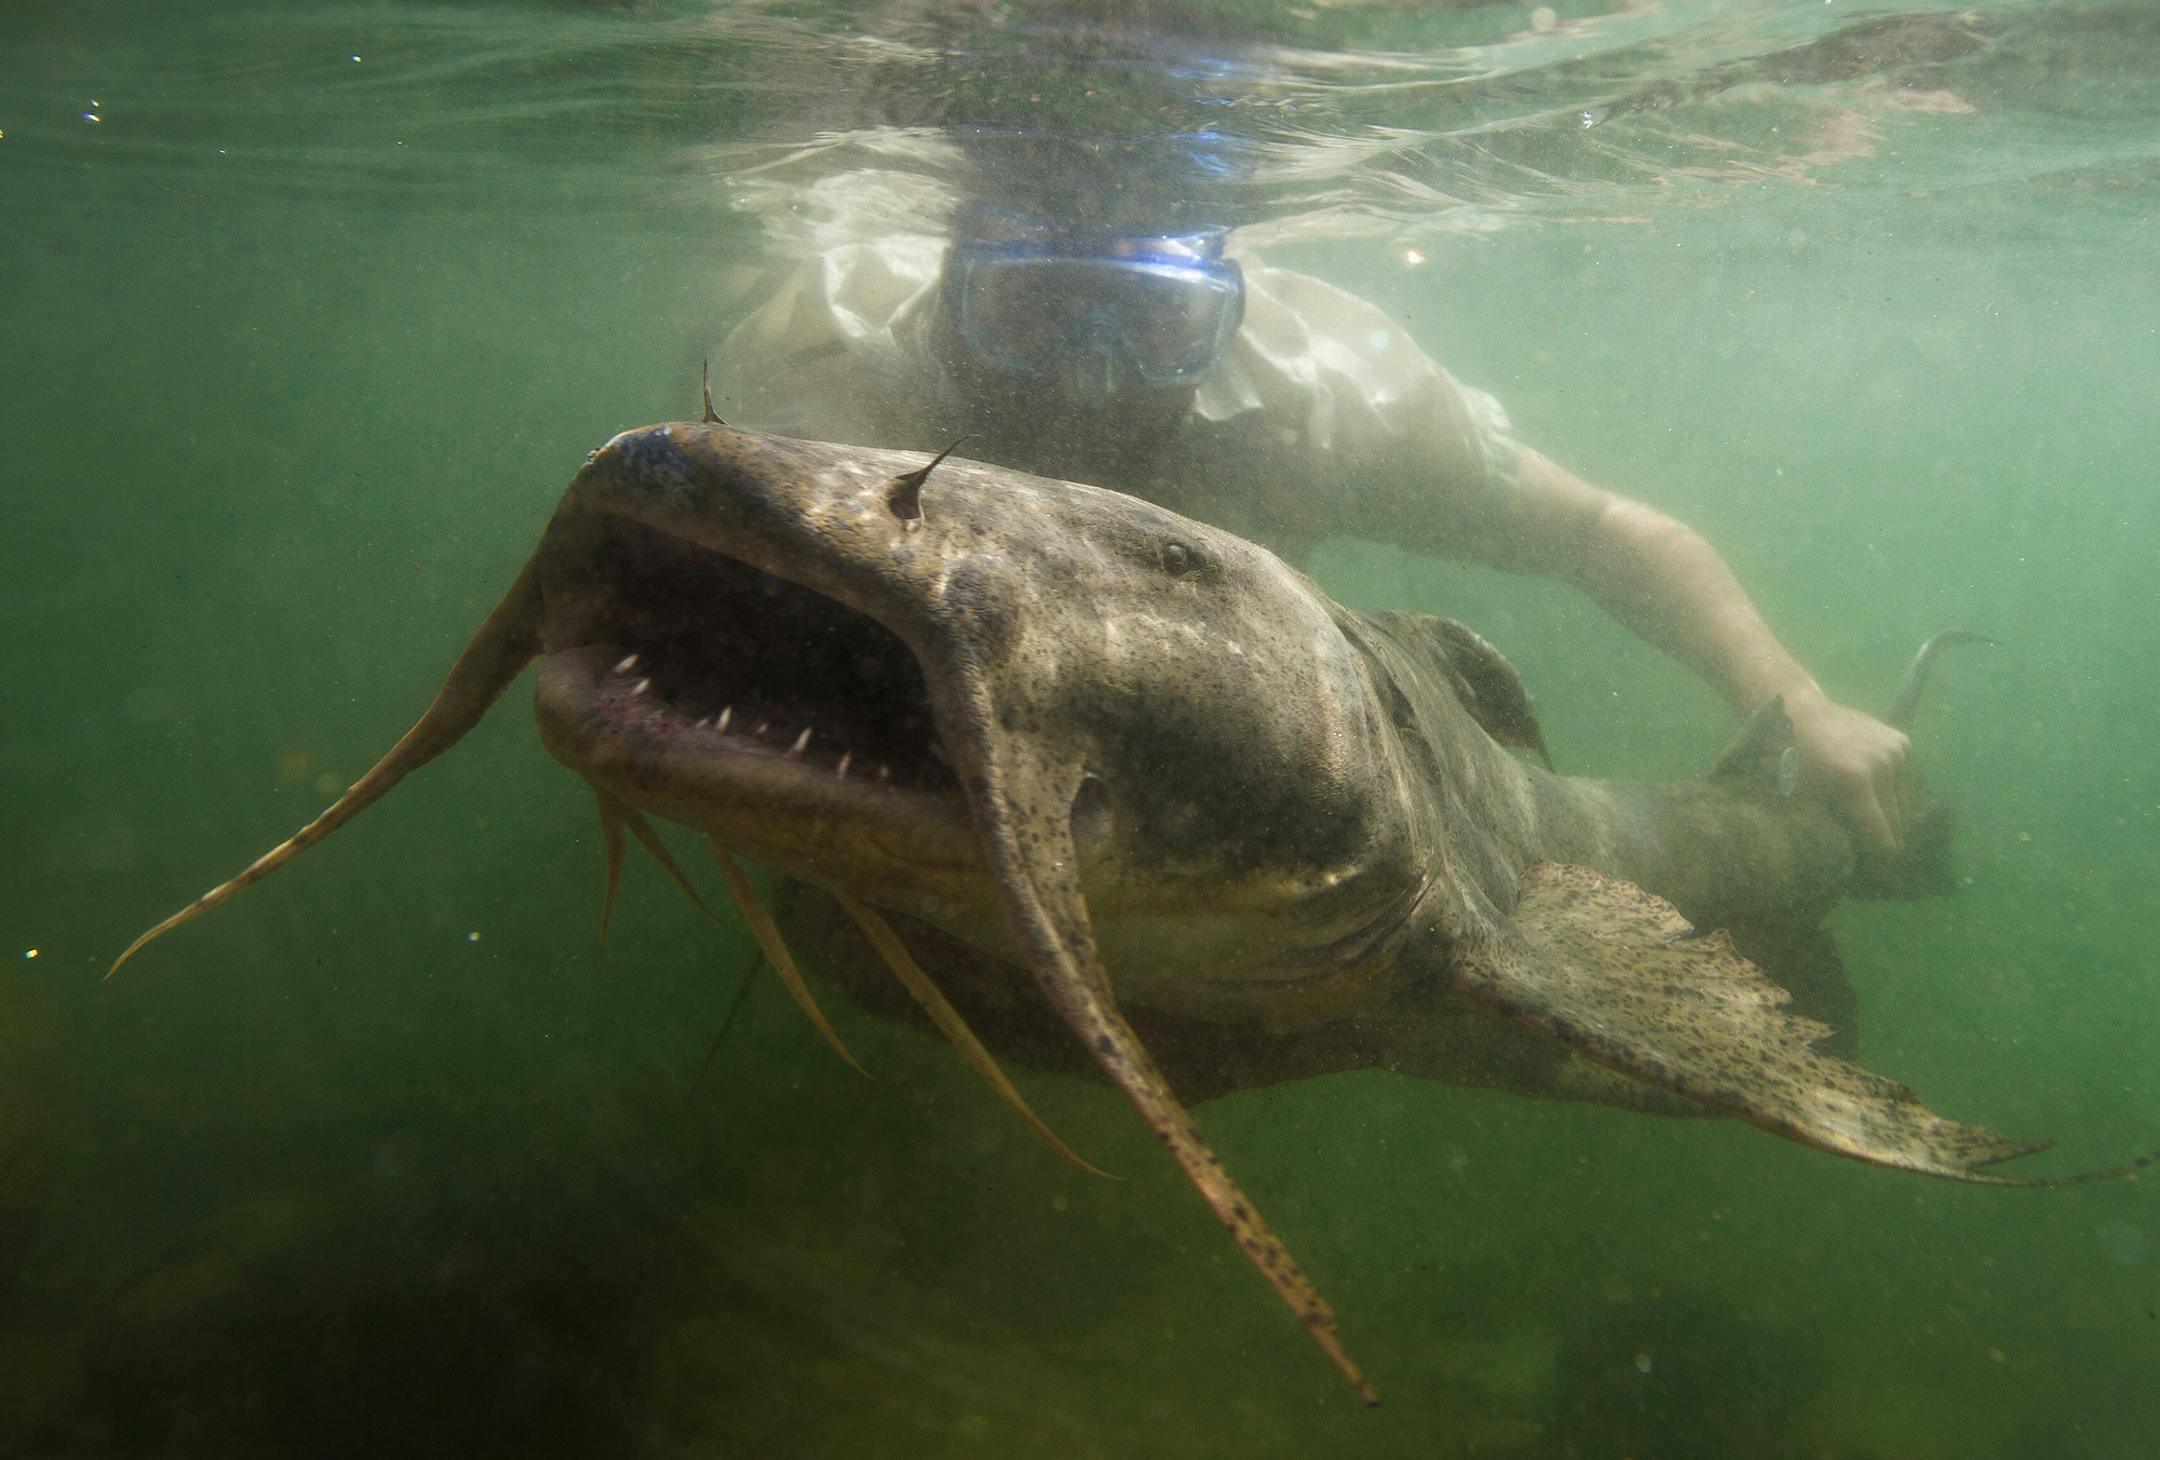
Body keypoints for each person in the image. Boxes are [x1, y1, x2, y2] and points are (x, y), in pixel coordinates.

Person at [716, 184, 1914, 857]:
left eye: (1159, 327)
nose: (1095, 378)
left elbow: (1608, 532)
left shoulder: (1334, 388)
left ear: (1230, 310)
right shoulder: (829, 373)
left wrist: (1801, 704)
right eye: (1036, 317)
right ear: (948, 302)